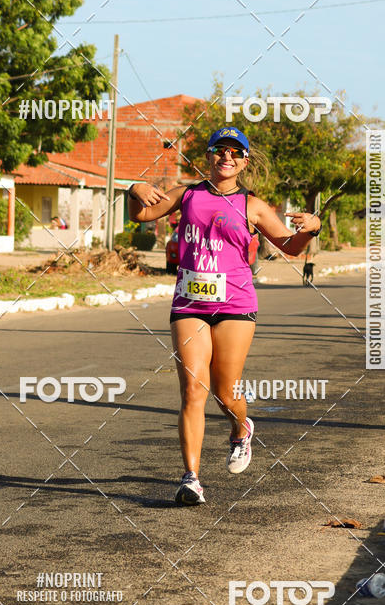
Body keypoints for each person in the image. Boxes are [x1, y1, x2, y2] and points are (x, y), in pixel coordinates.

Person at [127, 127, 321, 504]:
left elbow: (289, 247)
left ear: (244, 161)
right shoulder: (188, 194)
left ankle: (240, 428)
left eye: (235, 152)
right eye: (220, 150)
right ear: (209, 156)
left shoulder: (254, 206)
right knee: (192, 390)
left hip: (235, 306)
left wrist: (310, 230)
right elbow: (141, 215)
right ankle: (191, 479)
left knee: (224, 391)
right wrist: (133, 189)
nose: (226, 157)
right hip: (189, 304)